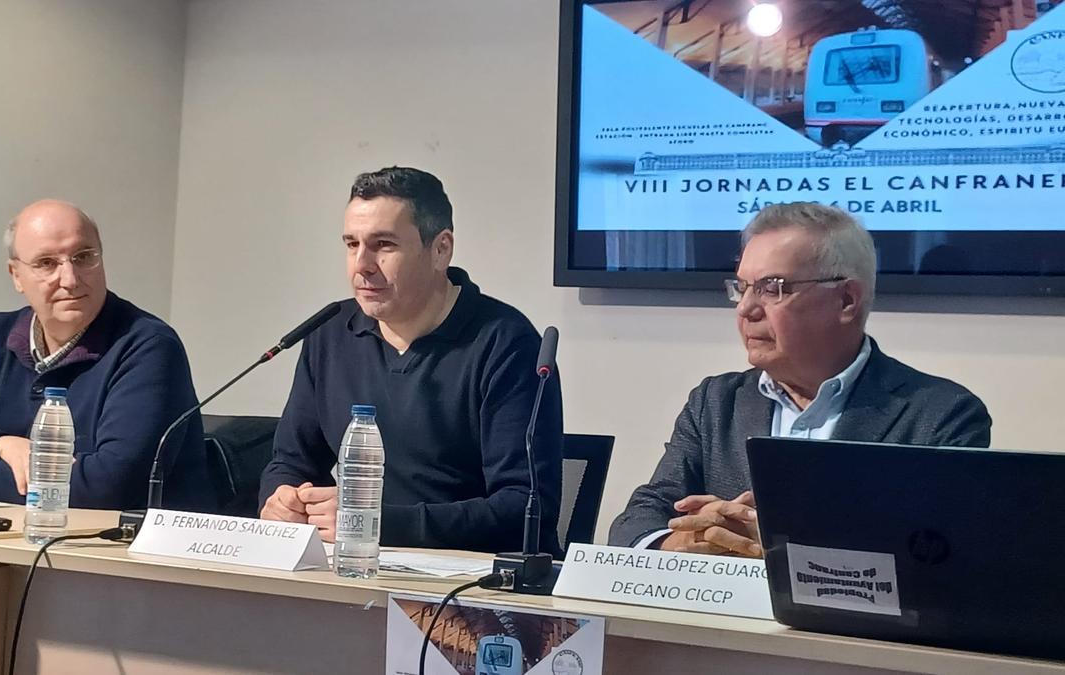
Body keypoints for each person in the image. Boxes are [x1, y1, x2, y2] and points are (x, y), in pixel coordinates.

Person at [608, 202, 991, 556]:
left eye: (772, 288)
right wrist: (684, 542)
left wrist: (781, 547)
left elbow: (935, 556)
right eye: (742, 288)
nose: (746, 309)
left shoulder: (940, 415)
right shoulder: (716, 401)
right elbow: (638, 519)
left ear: (846, 300)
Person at [258, 167, 563, 554]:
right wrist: (282, 500)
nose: (362, 264)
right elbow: (290, 462)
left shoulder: (506, 343)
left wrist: (378, 524)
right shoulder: (330, 332)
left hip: (472, 577)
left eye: (383, 245)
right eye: (352, 244)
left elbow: (524, 508)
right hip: (354, 566)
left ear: (441, 249)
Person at [0, 199, 215, 512]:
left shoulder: (148, 345)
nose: (70, 279)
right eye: (46, 263)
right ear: (16, 275)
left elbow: (114, 482)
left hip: (118, 544)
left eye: (84, 257)